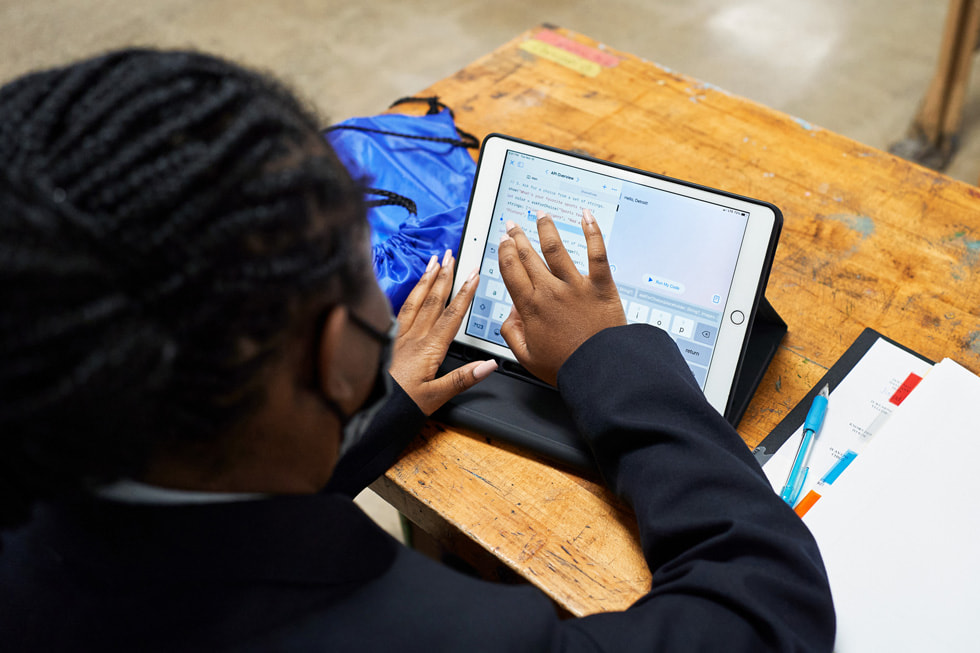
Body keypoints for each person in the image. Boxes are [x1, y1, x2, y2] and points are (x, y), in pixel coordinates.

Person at [0, 50, 834, 651]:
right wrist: (610, 356)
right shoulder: (447, 632)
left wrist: (370, 417)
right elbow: (763, 610)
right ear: (336, 355)